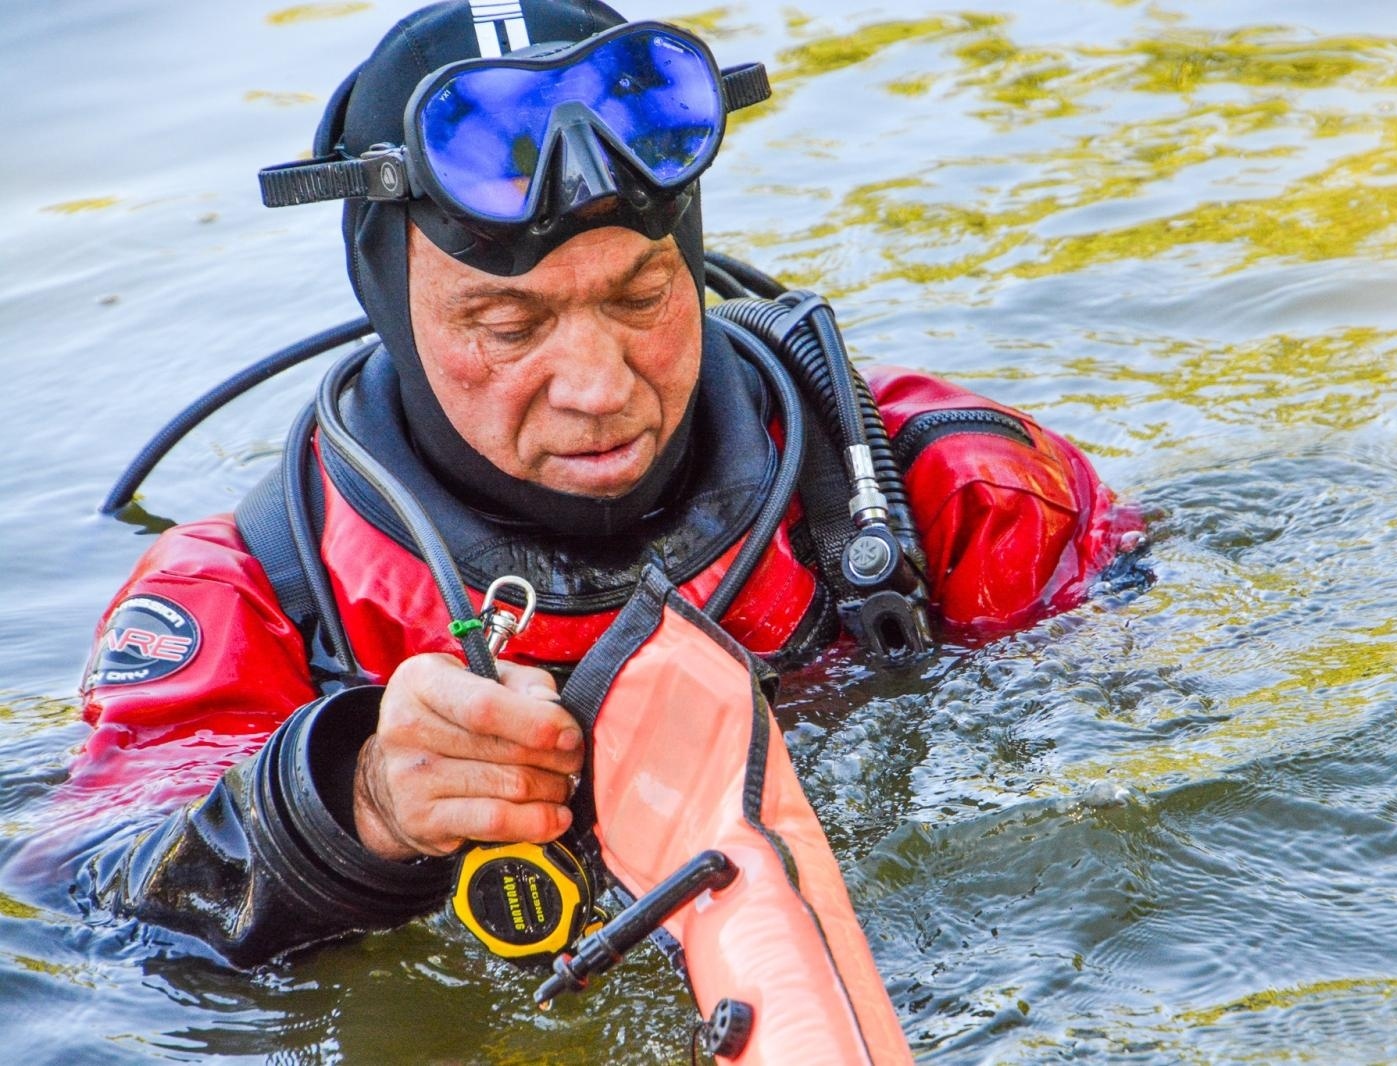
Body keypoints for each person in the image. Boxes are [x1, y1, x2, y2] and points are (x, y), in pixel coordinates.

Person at [60, 0, 1144, 967]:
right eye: (509, 324)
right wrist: (361, 798)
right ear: (396, 310)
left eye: (639, 297)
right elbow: (87, 908)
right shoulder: (252, 600)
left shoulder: (949, 488)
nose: (597, 385)